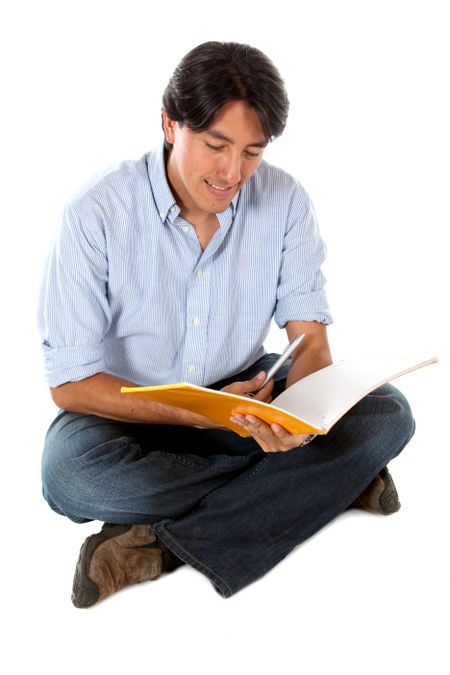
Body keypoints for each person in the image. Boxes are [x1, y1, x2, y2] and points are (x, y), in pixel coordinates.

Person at [38, 41, 415, 608]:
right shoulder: (95, 213)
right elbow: (69, 385)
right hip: (126, 408)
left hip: (246, 392)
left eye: (252, 152)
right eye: (216, 145)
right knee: (71, 478)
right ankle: (326, 484)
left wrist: (299, 414)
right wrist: (195, 413)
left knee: (388, 414)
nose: (231, 172)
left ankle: (156, 546)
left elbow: (309, 338)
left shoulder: (285, 202)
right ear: (170, 124)